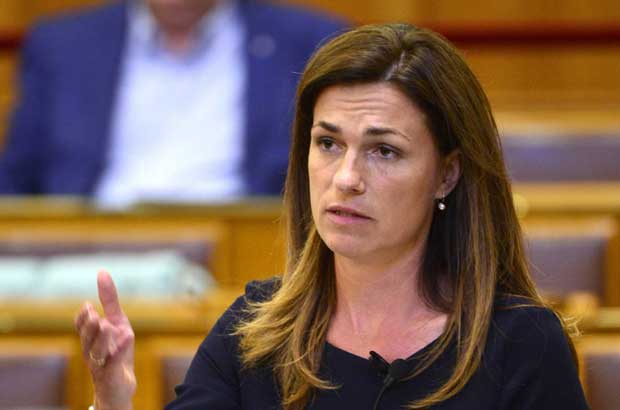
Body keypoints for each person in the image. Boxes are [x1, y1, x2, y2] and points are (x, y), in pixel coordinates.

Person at [75, 23, 589, 409]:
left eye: (384, 151)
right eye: (328, 143)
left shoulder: (522, 345)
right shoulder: (253, 333)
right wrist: (112, 402)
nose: (346, 177)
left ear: (447, 174)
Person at [0, 0, 346, 208]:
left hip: (246, 255)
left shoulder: (307, 42)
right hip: (89, 251)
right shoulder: (62, 45)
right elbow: (15, 183)